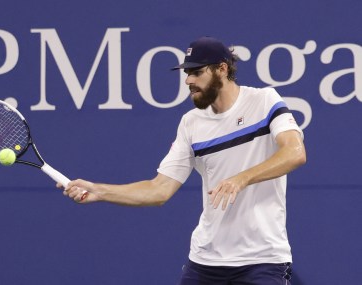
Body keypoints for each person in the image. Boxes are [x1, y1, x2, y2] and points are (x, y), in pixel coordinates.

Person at [59, 36, 306, 285]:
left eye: (197, 72)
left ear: (222, 68)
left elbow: (295, 152)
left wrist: (240, 179)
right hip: (205, 262)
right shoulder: (191, 123)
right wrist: (99, 191)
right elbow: (159, 190)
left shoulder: (264, 101)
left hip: (262, 260)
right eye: (187, 73)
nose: (188, 80)